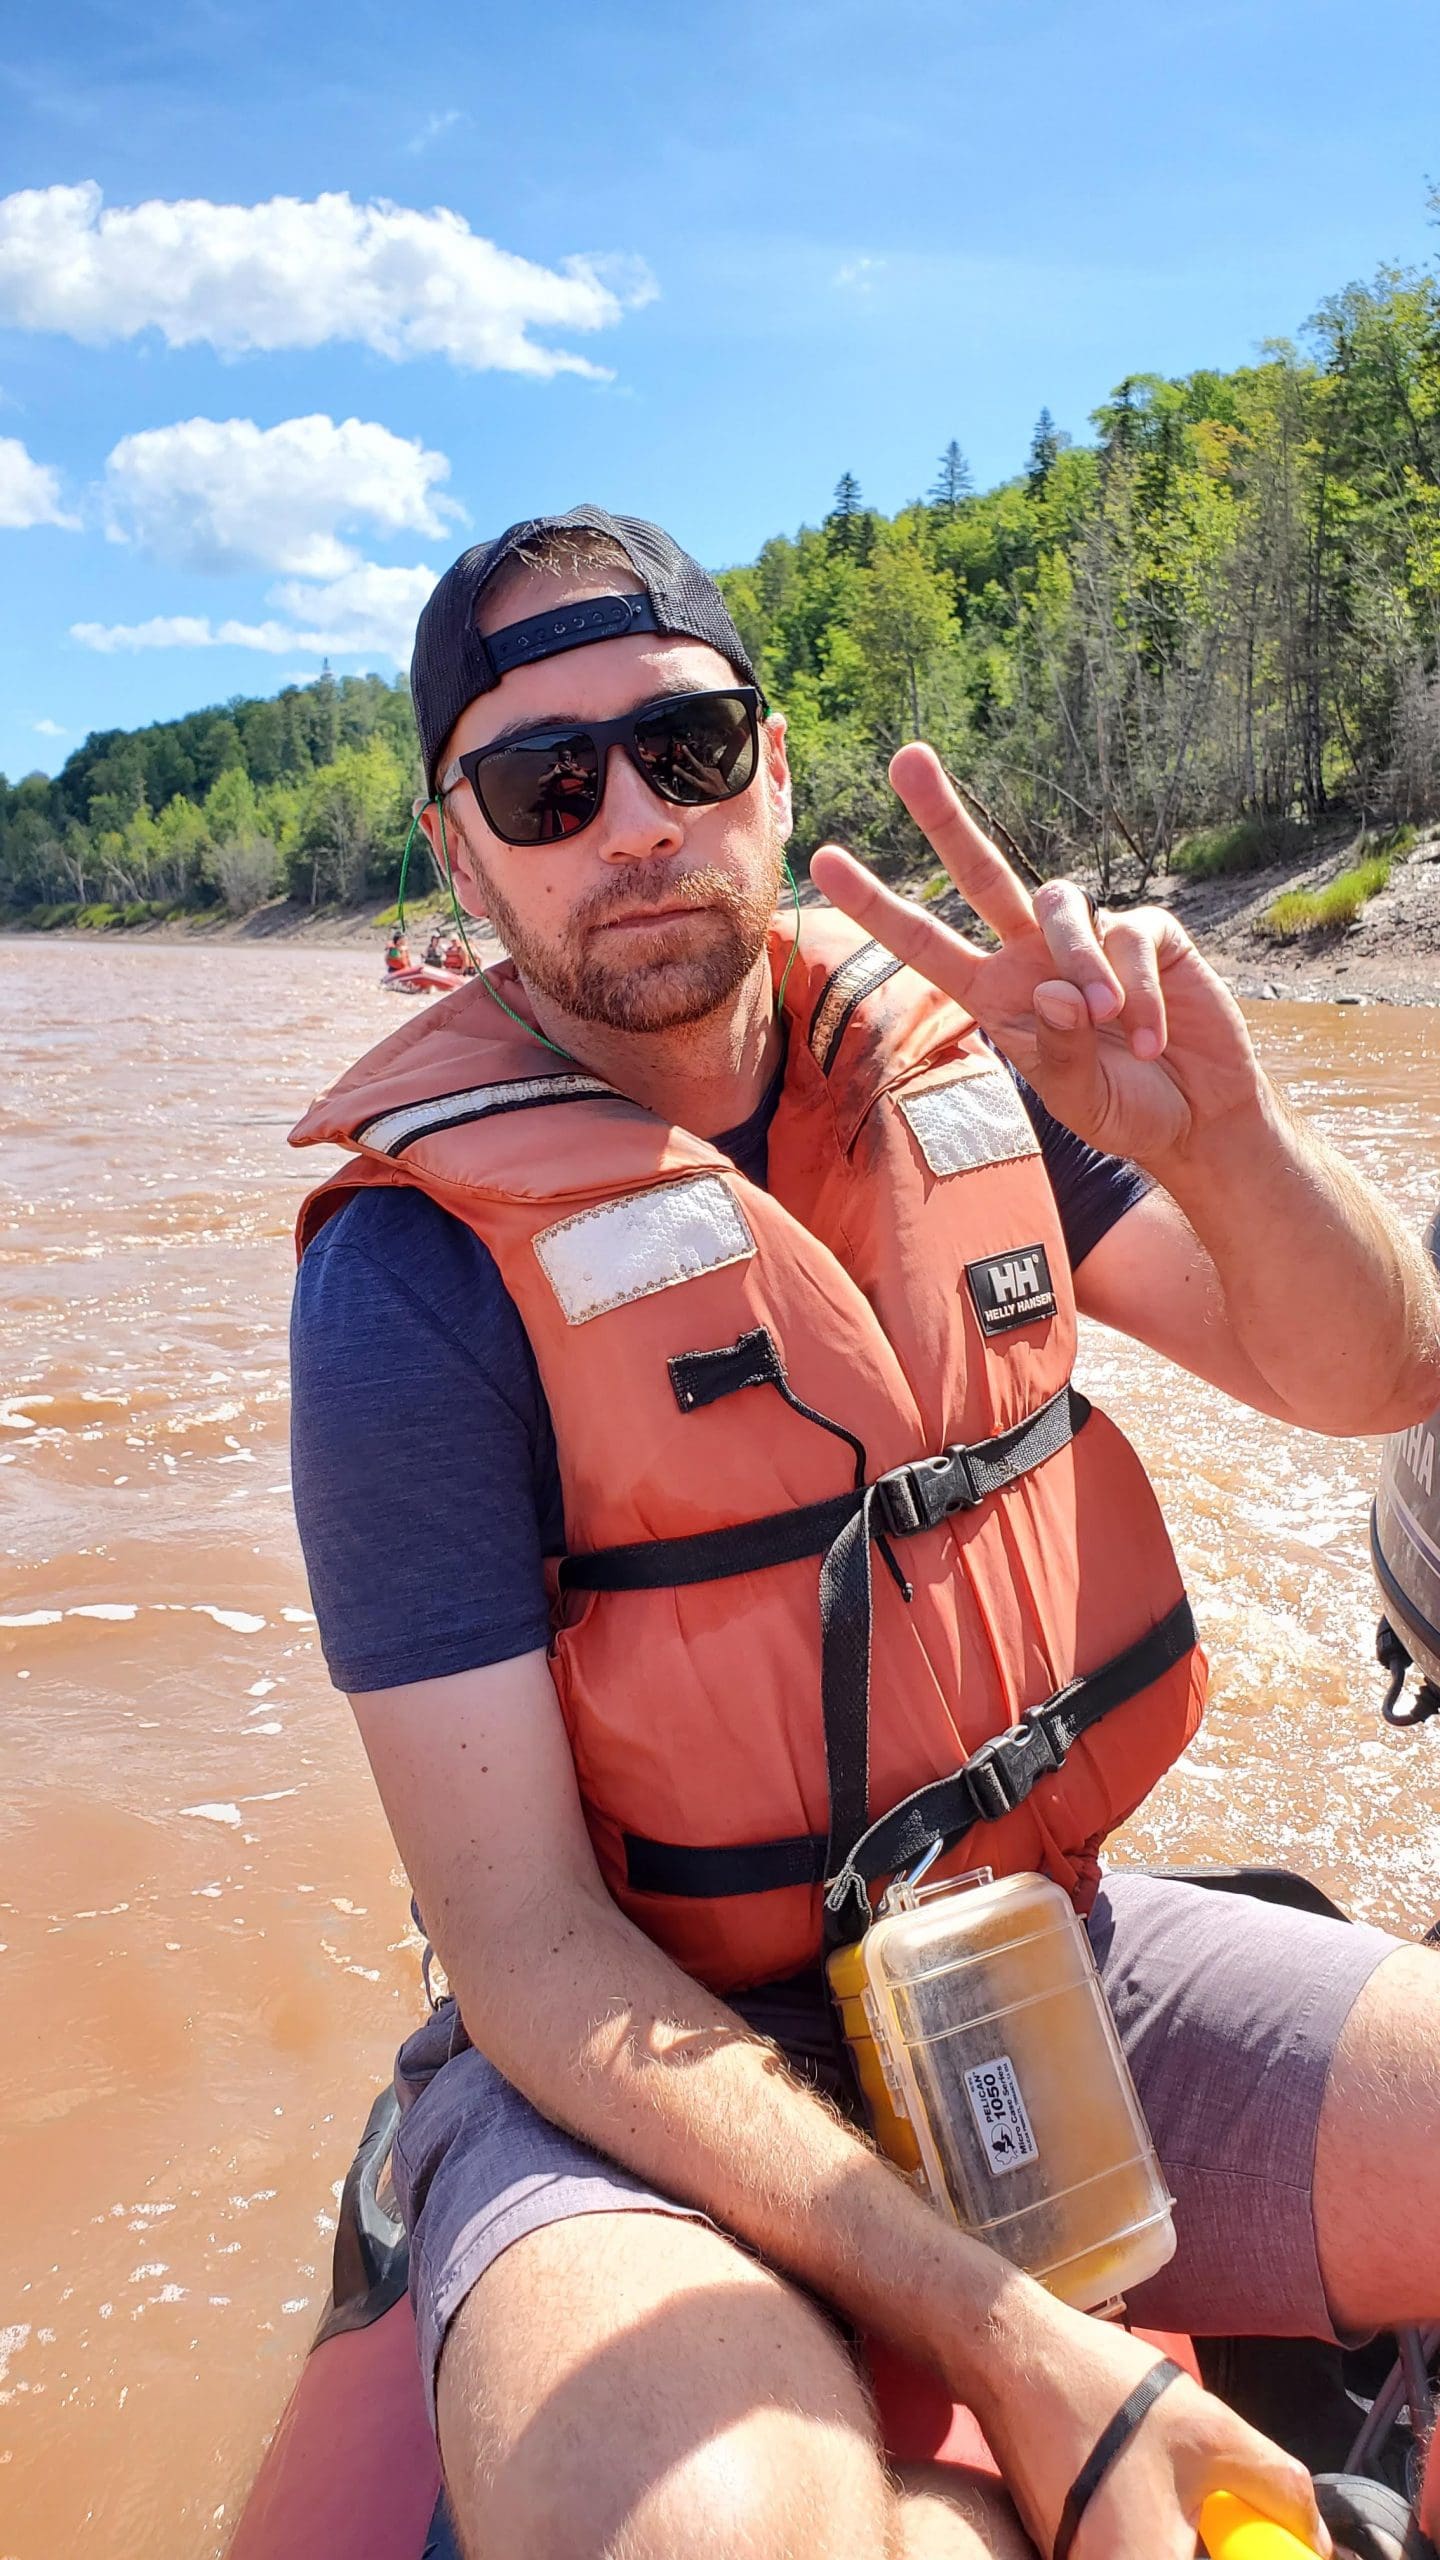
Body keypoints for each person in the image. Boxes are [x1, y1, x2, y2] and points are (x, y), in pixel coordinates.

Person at [289, 508, 1440, 2560]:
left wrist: (1227, 1142)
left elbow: (1376, 1378)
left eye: (687, 748)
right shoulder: (410, 1285)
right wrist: (1011, 2339)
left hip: (1027, 1947)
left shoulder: (987, 1059)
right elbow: (529, 1949)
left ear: (776, 767)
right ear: (461, 858)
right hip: (624, 2082)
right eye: (548, 786)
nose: (633, 818)